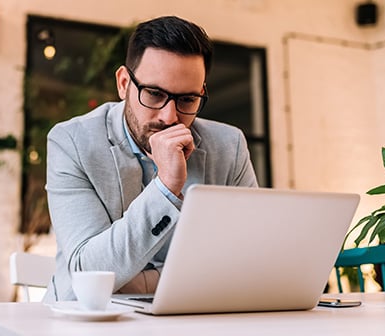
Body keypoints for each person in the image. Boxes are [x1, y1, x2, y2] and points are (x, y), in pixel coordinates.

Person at [43, 16, 258, 302]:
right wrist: (166, 189)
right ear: (123, 83)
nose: (170, 117)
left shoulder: (229, 147)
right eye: (154, 94)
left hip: (192, 315)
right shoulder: (72, 142)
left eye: (187, 100)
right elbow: (89, 273)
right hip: (88, 318)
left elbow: (250, 257)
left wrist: (137, 281)